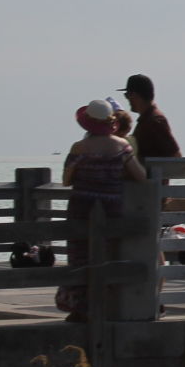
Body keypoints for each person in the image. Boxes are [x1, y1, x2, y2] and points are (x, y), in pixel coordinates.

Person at [58, 99, 147, 322]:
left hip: (82, 206)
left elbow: (66, 180)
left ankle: (81, 308)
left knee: (79, 257)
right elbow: (141, 176)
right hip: (111, 207)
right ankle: (110, 306)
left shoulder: (79, 148)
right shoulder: (122, 146)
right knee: (110, 256)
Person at [120, 73, 181, 159]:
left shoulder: (155, 121)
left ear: (134, 95)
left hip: (155, 172)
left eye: (127, 95)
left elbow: (176, 155)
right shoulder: (149, 119)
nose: (127, 99)